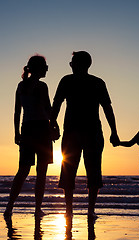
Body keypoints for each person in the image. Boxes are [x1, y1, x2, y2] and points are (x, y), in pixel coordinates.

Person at [50, 51, 119, 219]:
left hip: (81, 132)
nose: (71, 65)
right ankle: (86, 210)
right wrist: (114, 132)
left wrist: (53, 123)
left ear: (81, 64)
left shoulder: (71, 81)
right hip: (89, 131)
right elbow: (107, 108)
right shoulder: (95, 82)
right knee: (88, 171)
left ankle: (72, 210)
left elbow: (57, 104)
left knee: (74, 170)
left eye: (72, 62)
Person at [4, 54, 57, 219]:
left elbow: (17, 112)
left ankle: (9, 207)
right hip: (41, 129)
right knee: (41, 172)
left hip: (26, 129)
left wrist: (16, 132)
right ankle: (37, 209)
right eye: (45, 66)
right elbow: (48, 110)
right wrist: (55, 126)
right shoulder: (42, 86)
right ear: (39, 68)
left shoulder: (21, 86)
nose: (47, 69)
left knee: (23, 170)